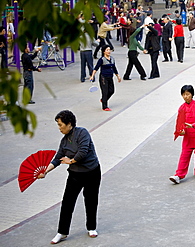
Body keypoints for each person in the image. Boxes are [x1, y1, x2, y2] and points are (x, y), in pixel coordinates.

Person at [38, 110, 102, 245]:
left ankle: (91, 227)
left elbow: (83, 152)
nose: (59, 128)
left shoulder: (82, 133)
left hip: (92, 172)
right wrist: (45, 171)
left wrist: (70, 161)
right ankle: (62, 232)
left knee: (91, 200)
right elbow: (57, 158)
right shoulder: (64, 140)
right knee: (67, 202)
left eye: (61, 125)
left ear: (69, 124)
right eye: (58, 125)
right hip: (75, 175)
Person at [169, 85, 195, 184]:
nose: (186, 96)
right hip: (188, 137)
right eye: (183, 94)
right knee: (184, 157)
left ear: (192, 94)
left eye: (187, 94)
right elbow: (180, 122)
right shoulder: (182, 108)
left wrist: (194, 125)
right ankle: (178, 175)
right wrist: (180, 131)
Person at [90, 45, 121, 111]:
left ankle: (103, 99)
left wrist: (117, 76)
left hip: (110, 77)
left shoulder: (112, 59)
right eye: (107, 50)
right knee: (105, 91)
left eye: (109, 50)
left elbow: (114, 68)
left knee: (112, 91)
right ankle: (105, 106)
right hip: (103, 77)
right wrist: (92, 76)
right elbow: (96, 68)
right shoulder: (102, 59)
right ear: (104, 51)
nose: (109, 51)